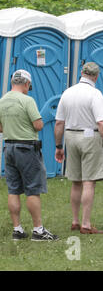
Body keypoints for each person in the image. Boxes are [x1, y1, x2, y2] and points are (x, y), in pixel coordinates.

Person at [54, 62, 103, 234]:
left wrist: (59, 146)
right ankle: (86, 223)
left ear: (81, 73)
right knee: (89, 182)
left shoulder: (67, 92)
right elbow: (101, 123)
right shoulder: (95, 94)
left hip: (70, 136)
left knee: (76, 181)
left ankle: (74, 221)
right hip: (90, 137)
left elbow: (59, 123)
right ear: (96, 76)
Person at [0, 70, 58, 241]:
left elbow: (0, 127)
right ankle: (38, 230)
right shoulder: (27, 100)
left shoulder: (2, 101)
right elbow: (38, 125)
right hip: (26, 148)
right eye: (28, 86)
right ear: (26, 83)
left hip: (8, 147)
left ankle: (17, 229)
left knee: (13, 189)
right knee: (32, 189)